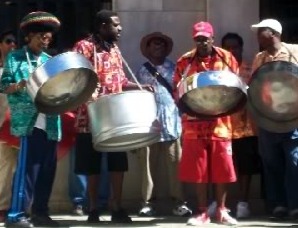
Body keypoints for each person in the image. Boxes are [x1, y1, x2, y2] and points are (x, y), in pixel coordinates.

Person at [72, 9, 144, 223]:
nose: (120, 28)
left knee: (117, 163)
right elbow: (76, 77)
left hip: (116, 117)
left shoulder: (114, 49)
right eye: (115, 24)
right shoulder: (84, 47)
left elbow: (120, 81)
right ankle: (93, 209)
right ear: (103, 26)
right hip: (89, 118)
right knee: (92, 165)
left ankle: (117, 207)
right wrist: (90, 94)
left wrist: (139, 87)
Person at [173, 21, 239, 225]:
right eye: (197, 39)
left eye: (205, 39)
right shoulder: (185, 61)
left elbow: (236, 86)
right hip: (194, 124)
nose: (201, 43)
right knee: (199, 171)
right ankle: (202, 212)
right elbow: (178, 90)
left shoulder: (226, 58)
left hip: (220, 123)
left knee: (222, 169)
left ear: (212, 38)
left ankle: (221, 210)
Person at [0, 11, 61, 227]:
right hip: (29, 122)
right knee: (27, 170)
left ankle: (40, 212)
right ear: (29, 37)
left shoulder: (50, 61)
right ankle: (17, 215)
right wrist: (19, 85)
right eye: (41, 37)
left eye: (48, 38)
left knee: (47, 169)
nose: (45, 41)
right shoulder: (15, 58)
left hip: (51, 122)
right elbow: (4, 84)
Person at [134, 32, 192, 217]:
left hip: (172, 124)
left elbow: (182, 94)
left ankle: (180, 202)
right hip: (148, 125)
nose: (158, 47)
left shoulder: (175, 68)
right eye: (154, 44)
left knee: (176, 164)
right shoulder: (141, 71)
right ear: (148, 48)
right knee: (147, 167)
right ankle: (147, 203)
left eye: (161, 44)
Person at [250, 18, 298, 220]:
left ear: (273, 33)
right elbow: (254, 87)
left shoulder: (295, 51)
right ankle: (277, 205)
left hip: (294, 117)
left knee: (295, 162)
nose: (257, 35)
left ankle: (295, 205)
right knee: (271, 163)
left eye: (260, 31)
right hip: (268, 118)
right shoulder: (259, 58)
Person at [221, 32, 261, 219]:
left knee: (245, 167)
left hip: (247, 127)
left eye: (235, 47)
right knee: (222, 167)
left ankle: (243, 203)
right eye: (227, 47)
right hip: (222, 127)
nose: (231, 51)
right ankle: (220, 203)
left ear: (241, 48)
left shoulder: (251, 69)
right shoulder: (217, 71)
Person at [0, 30, 17, 223]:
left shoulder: (18, 69)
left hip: (19, 126)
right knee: (4, 168)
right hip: (2, 128)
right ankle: (2, 207)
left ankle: (20, 206)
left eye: (14, 42)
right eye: (8, 41)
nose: (12, 45)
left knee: (20, 168)